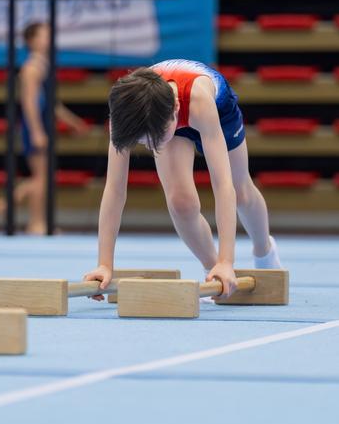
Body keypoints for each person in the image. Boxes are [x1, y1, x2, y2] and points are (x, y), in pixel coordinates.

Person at [84, 59, 282, 298]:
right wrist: (105, 264)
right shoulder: (124, 114)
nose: (149, 147)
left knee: (241, 191)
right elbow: (115, 190)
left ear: (176, 108)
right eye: (143, 142)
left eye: (153, 140)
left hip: (217, 110)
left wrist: (227, 259)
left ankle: (264, 251)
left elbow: (222, 185)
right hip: (163, 117)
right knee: (180, 203)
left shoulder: (198, 101)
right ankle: (211, 270)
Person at [0, 22, 89, 234]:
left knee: (43, 177)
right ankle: (33, 220)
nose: (50, 38)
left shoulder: (44, 65)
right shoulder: (31, 68)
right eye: (45, 35)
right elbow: (29, 102)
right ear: (31, 41)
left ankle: (23, 211)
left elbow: (54, 104)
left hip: (42, 123)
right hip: (33, 125)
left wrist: (75, 122)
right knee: (42, 177)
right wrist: (36, 131)